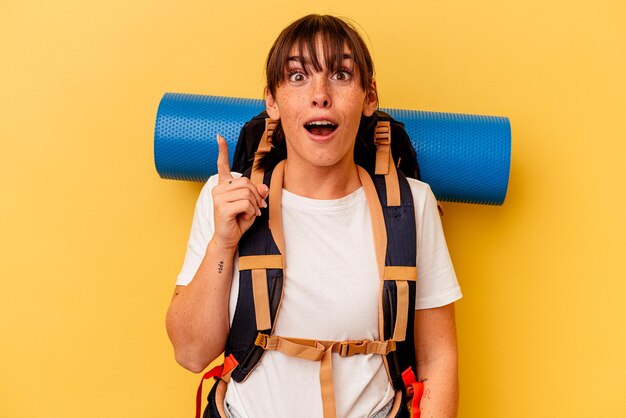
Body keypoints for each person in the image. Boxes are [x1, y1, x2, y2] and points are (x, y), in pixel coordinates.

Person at [166, 14, 461, 418]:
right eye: (298, 76)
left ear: (369, 96)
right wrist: (223, 241)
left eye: (340, 75)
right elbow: (190, 353)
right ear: (272, 100)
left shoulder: (413, 205)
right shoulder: (226, 197)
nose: (320, 95)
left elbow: (438, 359)